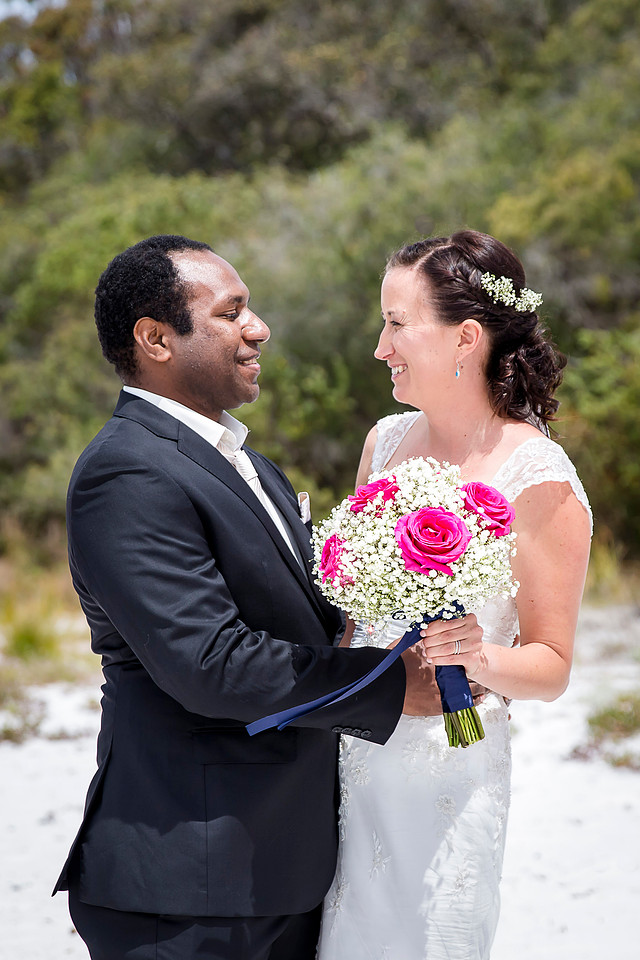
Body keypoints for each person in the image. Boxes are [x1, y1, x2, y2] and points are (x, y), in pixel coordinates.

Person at [52, 234, 425, 960]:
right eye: (231, 312)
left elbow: (304, 620)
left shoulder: (247, 463)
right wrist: (390, 686)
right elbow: (210, 664)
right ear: (156, 339)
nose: (259, 329)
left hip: (279, 870)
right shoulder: (126, 472)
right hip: (186, 885)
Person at [317, 230, 592, 960]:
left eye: (397, 324)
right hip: (355, 755)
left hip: (450, 764)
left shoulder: (538, 476)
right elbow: (351, 621)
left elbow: (552, 665)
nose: (381, 347)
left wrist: (476, 657)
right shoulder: (383, 442)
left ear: (467, 338)